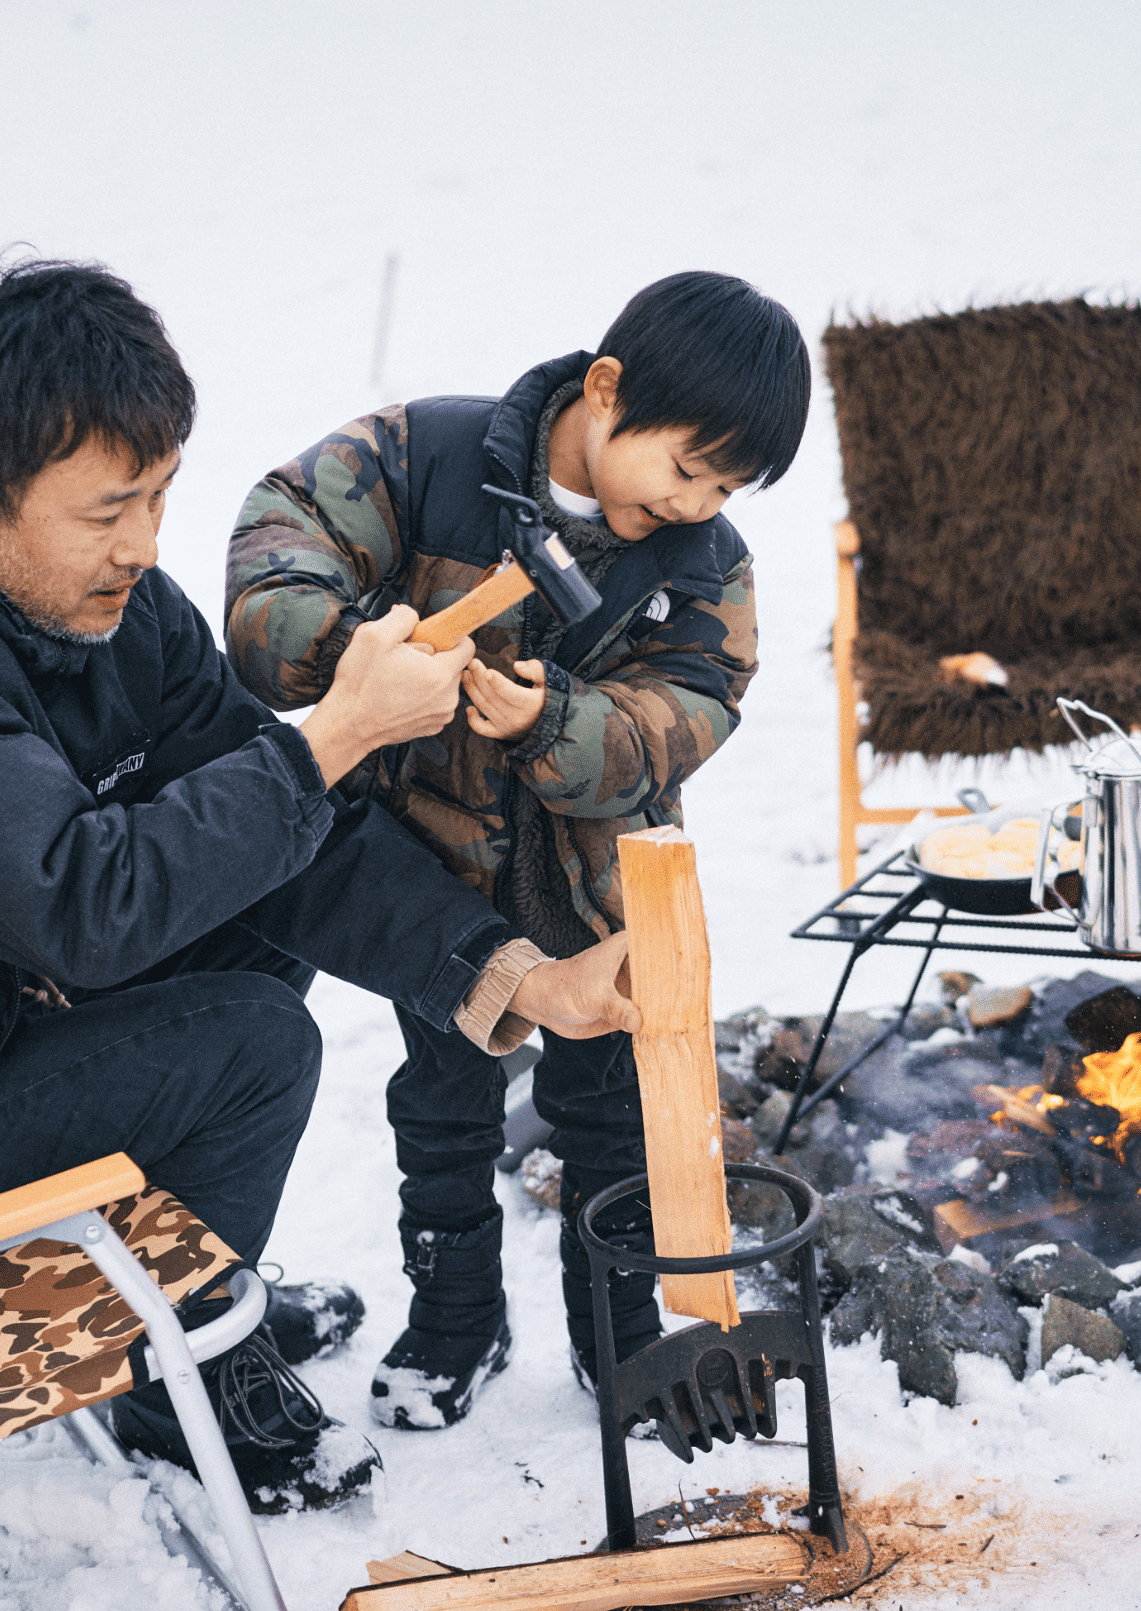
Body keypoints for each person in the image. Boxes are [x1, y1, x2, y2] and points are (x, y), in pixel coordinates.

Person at [0, 259, 636, 1513]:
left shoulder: (79, 598)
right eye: (107, 510)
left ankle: (191, 1299)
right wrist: (334, 735)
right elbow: (81, 908)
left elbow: (254, 805)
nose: (143, 548)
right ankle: (173, 1376)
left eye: (159, 497)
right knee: (249, 1040)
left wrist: (514, 971)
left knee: (246, 903)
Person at [224, 271, 811, 1428]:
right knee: (442, 1104)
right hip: (427, 879)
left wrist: (554, 723)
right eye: (687, 466)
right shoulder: (426, 456)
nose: (698, 501)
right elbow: (276, 538)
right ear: (606, 391)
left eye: (726, 485)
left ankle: (618, 1334)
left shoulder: (705, 565)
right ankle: (454, 1317)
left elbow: (690, 712)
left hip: (599, 893)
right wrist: (357, 653)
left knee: (608, 1113)